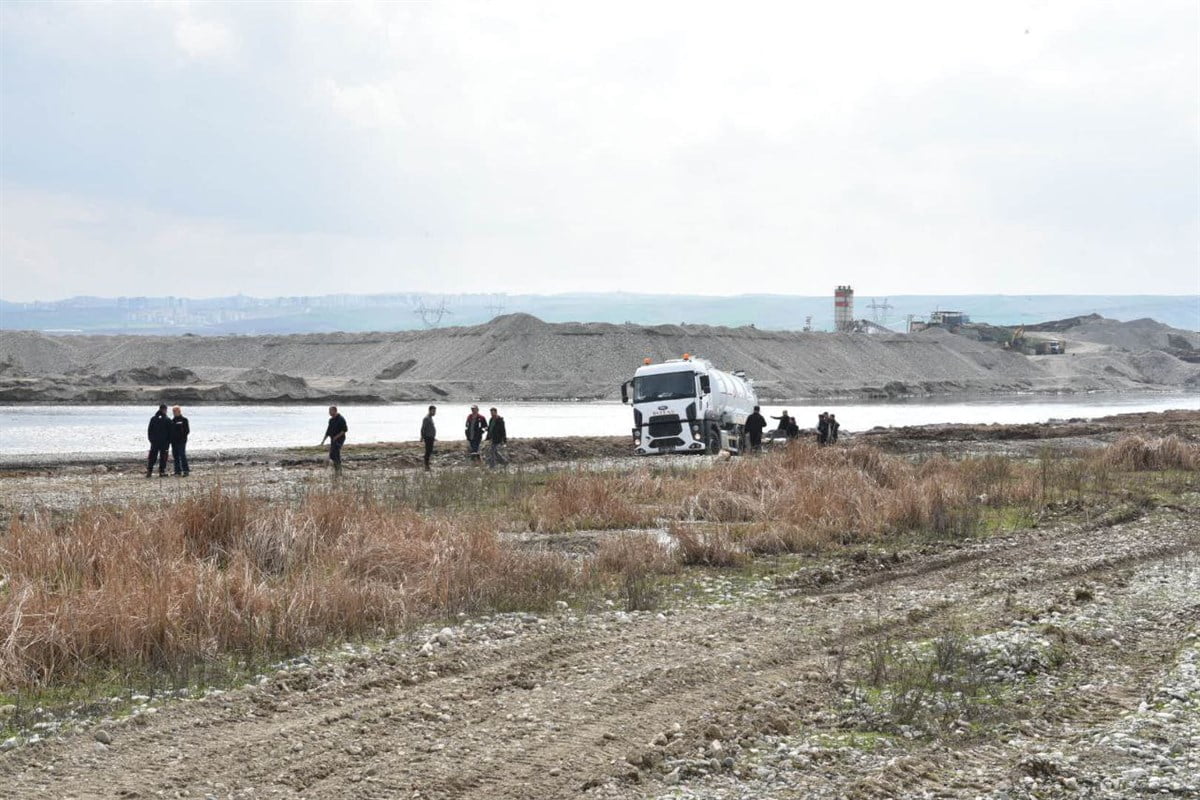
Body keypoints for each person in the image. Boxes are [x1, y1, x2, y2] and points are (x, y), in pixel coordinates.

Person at [146, 404, 172, 477]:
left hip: (155, 442)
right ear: (165, 410)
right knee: (163, 457)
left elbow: (149, 430)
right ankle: (161, 472)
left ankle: (149, 471)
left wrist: (151, 439)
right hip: (164, 442)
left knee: (152, 456)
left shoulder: (153, 419)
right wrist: (169, 441)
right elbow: (171, 432)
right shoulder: (167, 419)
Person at [320, 405, 348, 474]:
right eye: (329, 411)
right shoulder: (331, 420)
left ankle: (339, 472)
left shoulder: (341, 419)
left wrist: (336, 437)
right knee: (332, 455)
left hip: (340, 439)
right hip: (333, 439)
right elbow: (328, 431)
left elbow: (345, 430)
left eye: (330, 411)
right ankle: (336, 470)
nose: (329, 412)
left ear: (335, 411)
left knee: (336, 454)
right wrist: (323, 440)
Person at [170, 405, 191, 476]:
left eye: (175, 411)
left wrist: (182, 437)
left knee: (182, 455)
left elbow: (187, 431)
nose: (174, 413)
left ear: (179, 411)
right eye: (173, 412)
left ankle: (186, 470)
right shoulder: (172, 421)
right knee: (175, 456)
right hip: (174, 441)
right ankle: (177, 471)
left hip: (182, 441)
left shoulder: (184, 420)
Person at [421, 405, 437, 471]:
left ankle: (427, 465)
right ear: (430, 410)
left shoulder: (430, 418)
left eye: (435, 411)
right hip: (427, 437)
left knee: (430, 451)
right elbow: (423, 428)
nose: (434, 412)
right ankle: (426, 466)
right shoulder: (426, 418)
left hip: (431, 437)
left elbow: (430, 428)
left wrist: (434, 437)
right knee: (428, 451)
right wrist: (422, 437)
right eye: (433, 411)